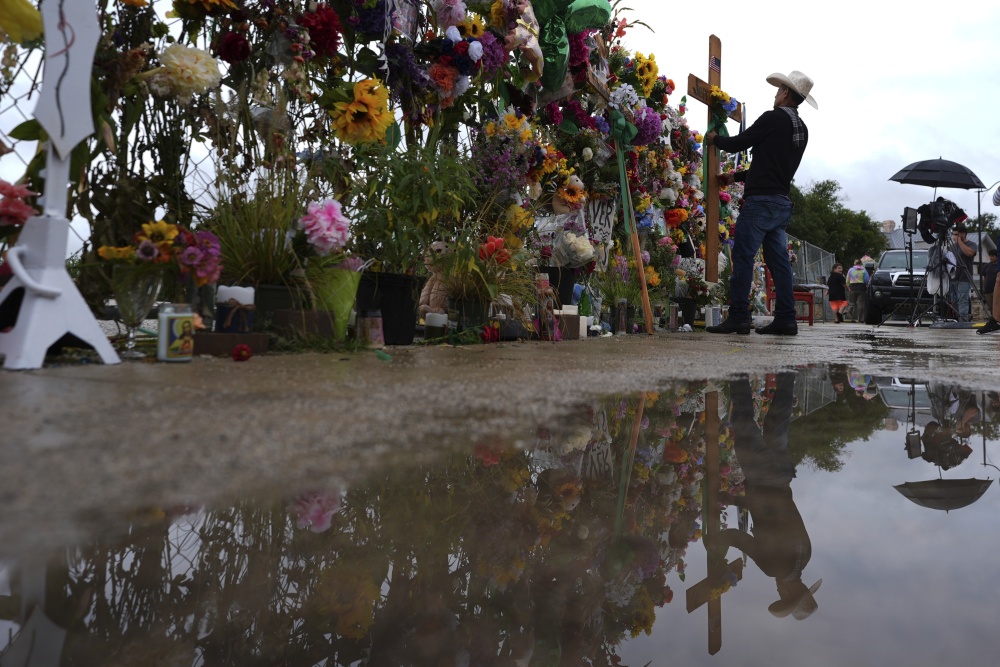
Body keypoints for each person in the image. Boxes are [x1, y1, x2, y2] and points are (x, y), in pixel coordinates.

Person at [704, 70, 817, 336]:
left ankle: (740, 317)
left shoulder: (773, 118)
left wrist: (715, 139)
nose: (775, 93)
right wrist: (735, 176)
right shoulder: (802, 128)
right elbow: (776, 168)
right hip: (780, 203)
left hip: (760, 204)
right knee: (780, 264)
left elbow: (740, 143)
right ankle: (787, 319)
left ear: (786, 93)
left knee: (743, 258)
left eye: (779, 90)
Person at [704, 373, 822, 620]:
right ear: (787, 594)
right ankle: (738, 372)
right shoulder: (773, 568)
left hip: (781, 477)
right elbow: (738, 538)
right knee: (743, 422)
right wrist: (713, 541)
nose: (776, 589)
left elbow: (773, 514)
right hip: (761, 477)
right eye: (780, 594)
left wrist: (732, 499)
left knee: (777, 420)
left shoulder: (806, 554)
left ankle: (788, 371)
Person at [947, 223, 977, 321]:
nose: (954, 237)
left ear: (963, 234)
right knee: (954, 300)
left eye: (957, 234)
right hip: (953, 277)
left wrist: (960, 242)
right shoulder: (952, 247)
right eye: (954, 234)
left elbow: (969, 253)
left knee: (963, 300)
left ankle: (963, 321)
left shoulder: (971, 244)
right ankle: (957, 319)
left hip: (964, 277)